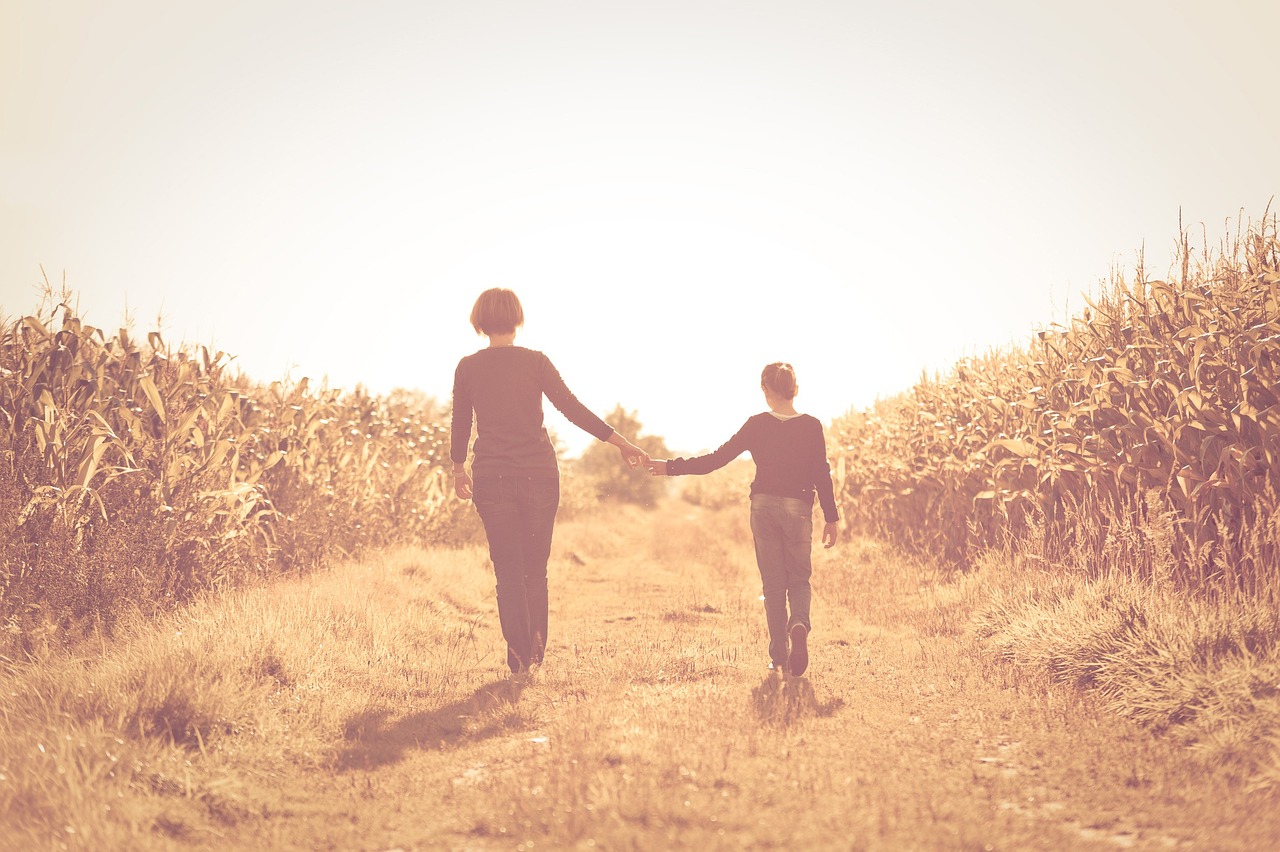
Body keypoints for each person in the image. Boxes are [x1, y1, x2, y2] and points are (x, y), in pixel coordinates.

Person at [451, 288, 649, 675]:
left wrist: (459, 469)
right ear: (517, 318)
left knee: (507, 573)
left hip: (493, 477)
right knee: (534, 571)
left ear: (479, 321)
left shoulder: (468, 367)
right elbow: (571, 408)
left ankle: (520, 655)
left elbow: (461, 422)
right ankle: (535, 653)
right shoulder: (535, 362)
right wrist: (619, 442)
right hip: (539, 475)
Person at [646, 363, 838, 676]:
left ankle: (779, 656)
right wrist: (832, 517)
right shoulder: (811, 426)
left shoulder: (757, 424)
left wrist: (670, 467)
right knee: (799, 578)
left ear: (766, 391)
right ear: (794, 389)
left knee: (773, 584)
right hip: (797, 507)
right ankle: (799, 623)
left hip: (762, 507)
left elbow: (715, 460)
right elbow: (822, 472)